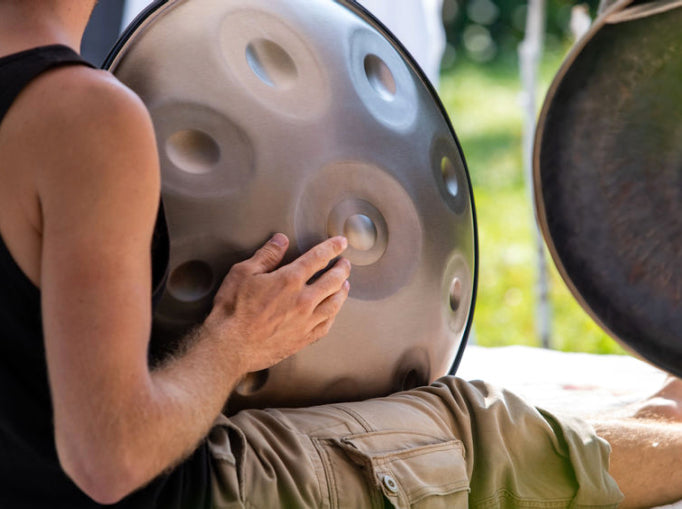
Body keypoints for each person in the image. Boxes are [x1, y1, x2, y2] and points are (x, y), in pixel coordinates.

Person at [0, 1, 681, 508]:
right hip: (174, 494)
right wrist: (234, 341)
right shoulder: (81, 118)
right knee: (481, 437)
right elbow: (108, 458)